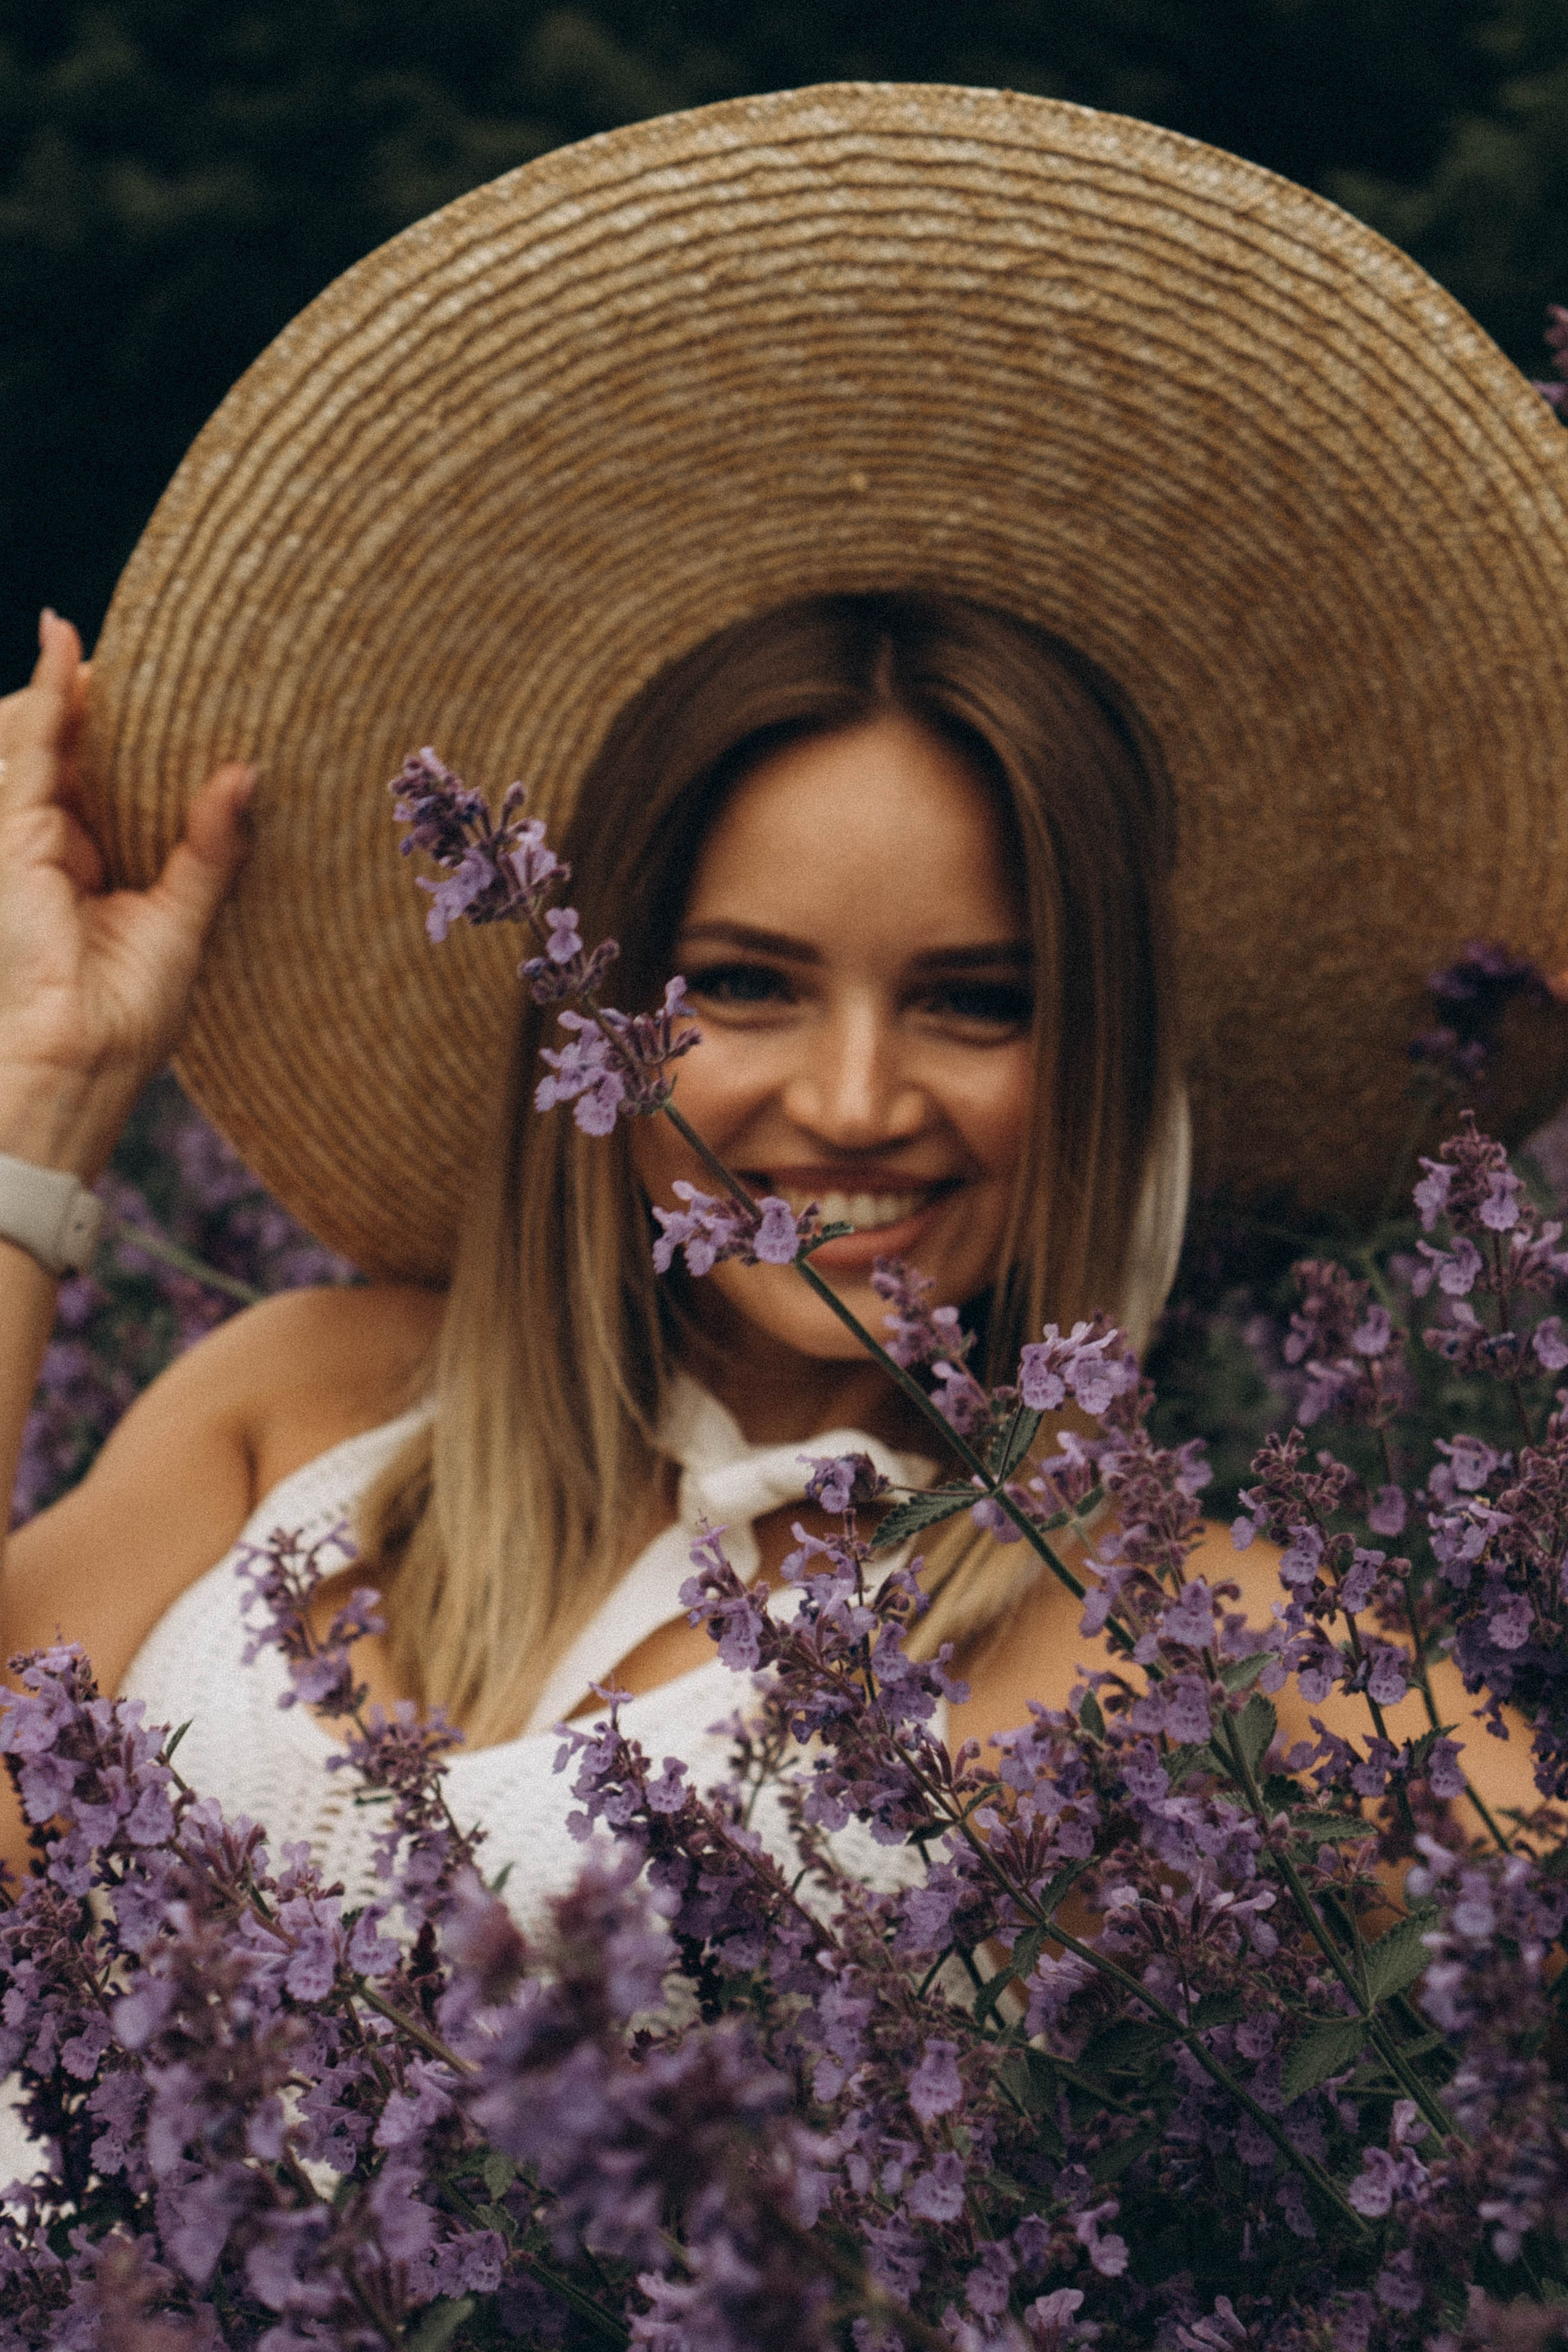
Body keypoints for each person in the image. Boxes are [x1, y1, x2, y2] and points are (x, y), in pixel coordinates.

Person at [2, 83, 1566, 1919]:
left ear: (1104, 1065)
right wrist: (46, 1102)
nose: (847, 1100)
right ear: (578, 1020)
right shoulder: (309, 1405)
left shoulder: (1172, 1652)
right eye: (739, 985)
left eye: (979, 1002)